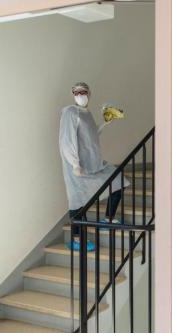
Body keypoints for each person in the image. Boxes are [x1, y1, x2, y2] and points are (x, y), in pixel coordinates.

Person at [59, 82, 130, 251]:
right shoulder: (70, 112)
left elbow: (91, 135)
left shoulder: (87, 113)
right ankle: (76, 239)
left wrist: (106, 123)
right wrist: (75, 164)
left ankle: (108, 219)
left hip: (94, 163)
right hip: (78, 167)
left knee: (118, 181)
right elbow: (66, 140)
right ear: (73, 95)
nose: (80, 95)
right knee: (78, 201)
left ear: (89, 93)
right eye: (77, 92)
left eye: (83, 92)